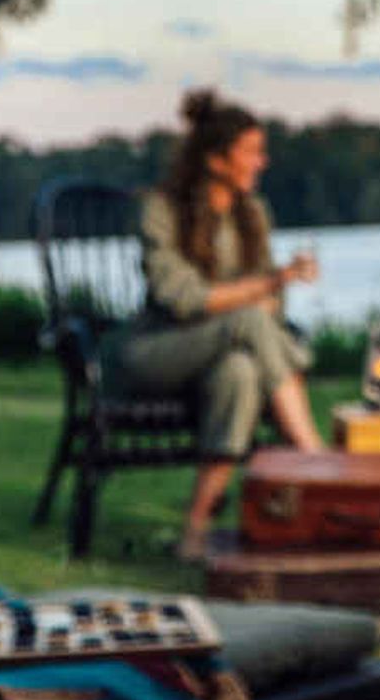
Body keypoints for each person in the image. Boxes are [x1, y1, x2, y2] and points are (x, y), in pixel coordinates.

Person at [108, 90, 324, 564]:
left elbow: (271, 304)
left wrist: (267, 292)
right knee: (245, 324)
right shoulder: (161, 210)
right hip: (156, 353)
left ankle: (195, 528)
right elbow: (184, 300)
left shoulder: (253, 215)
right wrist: (268, 285)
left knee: (241, 372)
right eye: (251, 152)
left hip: (224, 353)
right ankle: (315, 458)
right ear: (215, 159)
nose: (261, 162)